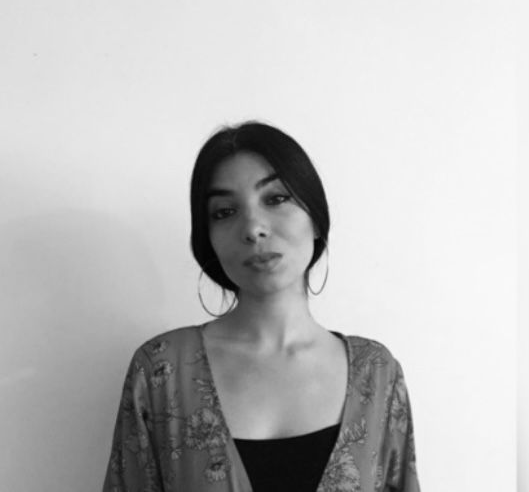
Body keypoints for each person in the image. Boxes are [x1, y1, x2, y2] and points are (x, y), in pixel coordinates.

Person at [102, 121, 421, 492]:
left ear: (316, 218)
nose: (253, 228)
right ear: (209, 239)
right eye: (225, 212)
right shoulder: (162, 371)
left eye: (276, 199)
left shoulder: (376, 375)